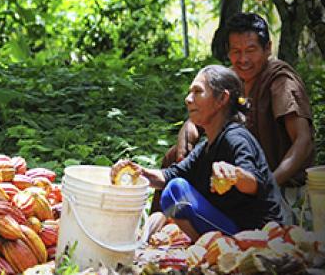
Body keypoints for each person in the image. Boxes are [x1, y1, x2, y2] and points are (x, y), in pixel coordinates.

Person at [161, 13, 314, 223]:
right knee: (173, 159)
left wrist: (268, 186)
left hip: (279, 186)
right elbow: (201, 113)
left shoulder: (281, 81)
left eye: (250, 50)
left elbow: (303, 141)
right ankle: (158, 229)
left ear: (267, 48)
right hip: (232, 177)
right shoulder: (232, 78)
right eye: (236, 52)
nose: (243, 60)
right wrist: (187, 131)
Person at [112, 65, 284, 241]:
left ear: (222, 99)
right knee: (174, 189)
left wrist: (235, 175)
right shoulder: (206, 147)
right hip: (235, 228)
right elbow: (170, 175)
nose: (188, 99)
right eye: (189, 92)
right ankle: (207, 248)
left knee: (176, 191)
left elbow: (255, 183)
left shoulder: (236, 138)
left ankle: (209, 248)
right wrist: (138, 172)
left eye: (197, 92)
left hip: (263, 235)